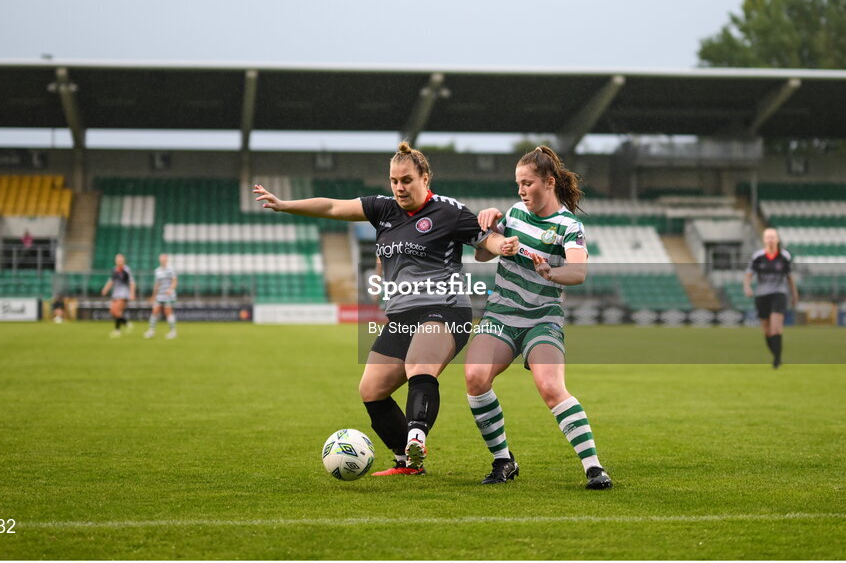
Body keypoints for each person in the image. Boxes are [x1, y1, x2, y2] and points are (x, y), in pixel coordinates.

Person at [255, 141, 518, 476]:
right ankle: (406, 461)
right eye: (394, 180)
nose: (399, 187)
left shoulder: (448, 211)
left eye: (406, 180)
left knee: (419, 364)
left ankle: (416, 438)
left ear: (425, 177)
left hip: (445, 308)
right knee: (371, 390)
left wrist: (503, 245)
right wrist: (284, 205)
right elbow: (334, 207)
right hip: (401, 315)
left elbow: (486, 239)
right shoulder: (382, 209)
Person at [464, 145, 612, 489]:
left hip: (542, 318)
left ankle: (593, 467)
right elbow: (483, 256)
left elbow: (578, 273)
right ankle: (503, 461)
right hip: (501, 314)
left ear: (548, 182)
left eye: (527, 183)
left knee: (550, 387)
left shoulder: (568, 226)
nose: (520, 191)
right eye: (517, 184)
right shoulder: (514, 213)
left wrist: (550, 272)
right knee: (474, 377)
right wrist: (491, 231)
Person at [743, 227, 798, 368]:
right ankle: (776, 356)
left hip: (779, 294)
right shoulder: (757, 256)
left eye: (773, 237)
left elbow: (790, 277)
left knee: (775, 328)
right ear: (764, 239)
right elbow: (748, 275)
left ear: (777, 239)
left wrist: (794, 293)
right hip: (762, 296)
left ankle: (777, 360)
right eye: (768, 237)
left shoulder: (785, 256)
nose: (770, 239)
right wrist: (747, 287)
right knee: (767, 331)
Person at [101, 253, 136, 338]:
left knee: (116, 311)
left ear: (123, 261)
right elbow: (111, 281)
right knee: (113, 312)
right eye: (117, 260)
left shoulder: (126, 270)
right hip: (115, 293)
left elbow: (132, 282)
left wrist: (132, 293)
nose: (119, 261)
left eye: (120, 260)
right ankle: (125, 324)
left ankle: (119, 329)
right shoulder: (114, 270)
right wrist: (105, 289)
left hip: (124, 293)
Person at [145, 253, 179, 340]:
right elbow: (157, 284)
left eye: (164, 259)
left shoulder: (171, 270)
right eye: (161, 259)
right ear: (159, 260)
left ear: (167, 260)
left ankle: (173, 332)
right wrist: (153, 295)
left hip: (168, 295)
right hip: (160, 295)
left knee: (168, 313)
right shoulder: (157, 271)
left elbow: (174, 281)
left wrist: (170, 289)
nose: (163, 260)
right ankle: (151, 331)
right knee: (154, 311)